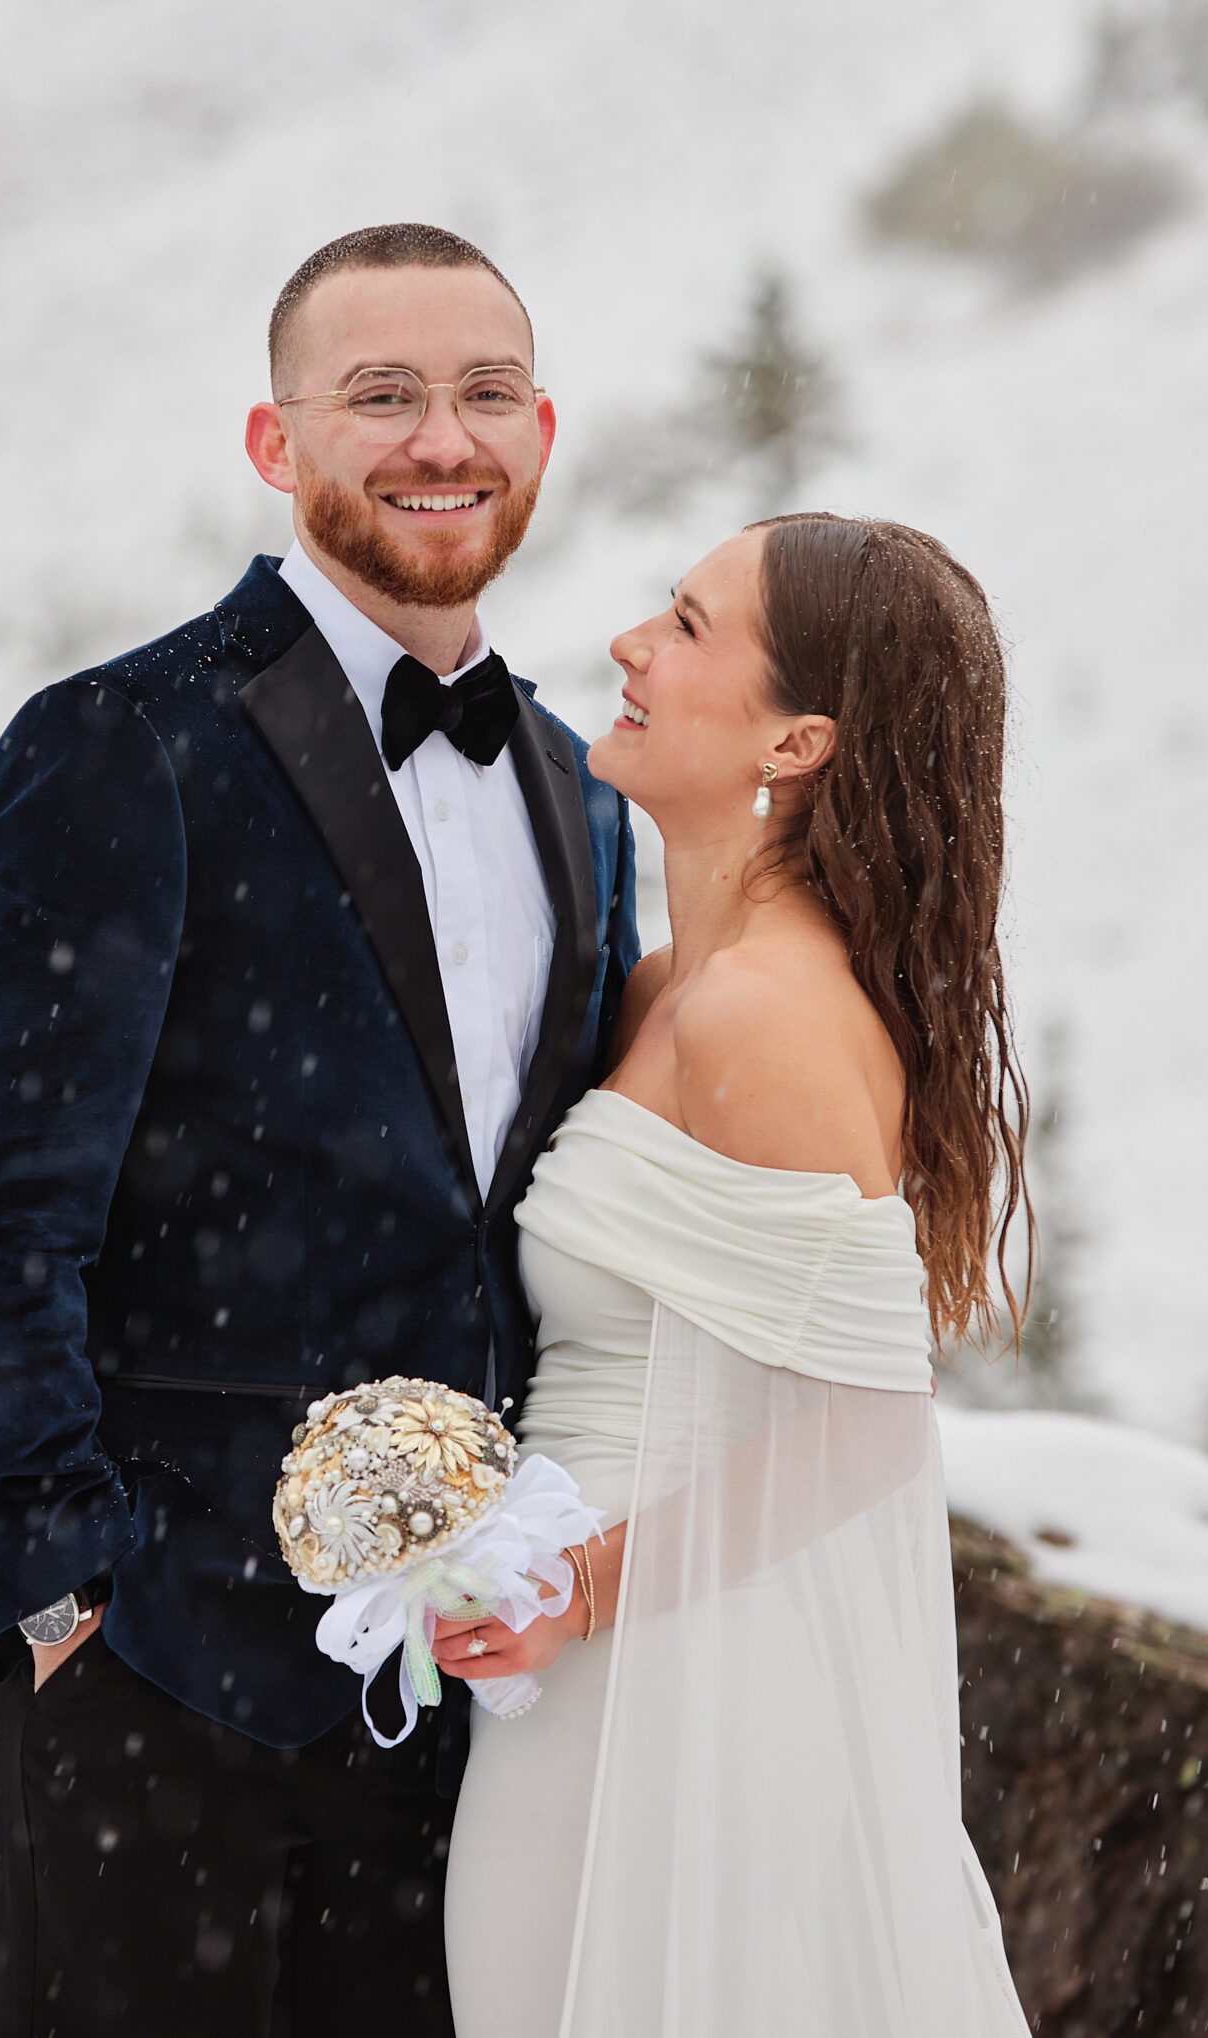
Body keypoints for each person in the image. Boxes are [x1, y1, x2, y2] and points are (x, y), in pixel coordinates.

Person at [0, 222, 638, 2037]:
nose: (438, 439)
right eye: (378, 394)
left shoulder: (577, 786)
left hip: (469, 1705)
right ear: (274, 439)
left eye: (481, 394)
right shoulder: (119, 743)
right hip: (160, 1672)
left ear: (541, 431)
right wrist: (69, 1595)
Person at [438, 513, 1034, 2035]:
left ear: (800, 737)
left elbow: (864, 1426)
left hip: (681, 1687)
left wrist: (578, 1584)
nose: (632, 645)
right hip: (590, 1667)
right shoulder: (664, 984)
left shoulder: (760, 1014)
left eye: (689, 626)